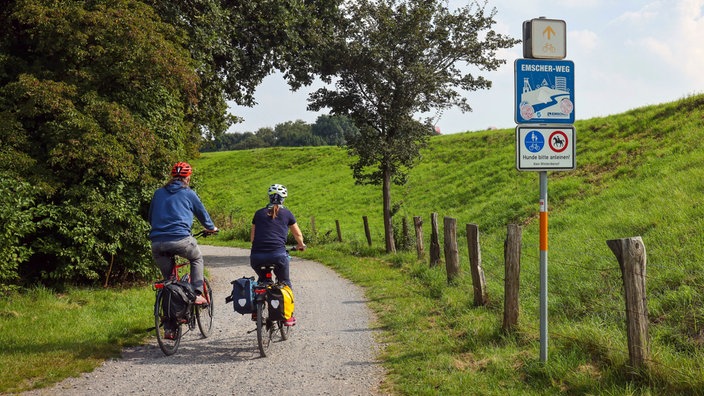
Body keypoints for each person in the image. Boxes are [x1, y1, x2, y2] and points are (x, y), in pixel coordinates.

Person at [149, 162, 218, 311]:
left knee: (169, 282)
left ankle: (171, 324)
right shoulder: (188, 193)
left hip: (157, 243)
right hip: (180, 240)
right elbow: (202, 214)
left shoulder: (158, 193)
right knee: (196, 258)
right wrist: (211, 228)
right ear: (187, 177)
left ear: (172, 176)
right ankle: (197, 293)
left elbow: (151, 217)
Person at [250, 184, 306, 326]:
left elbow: (252, 238)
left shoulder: (258, 213)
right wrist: (301, 245)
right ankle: (287, 316)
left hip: (256, 257)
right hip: (278, 256)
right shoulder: (287, 214)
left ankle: (257, 308)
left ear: (269, 197)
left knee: (262, 281)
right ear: (283, 199)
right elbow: (297, 234)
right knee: (285, 283)